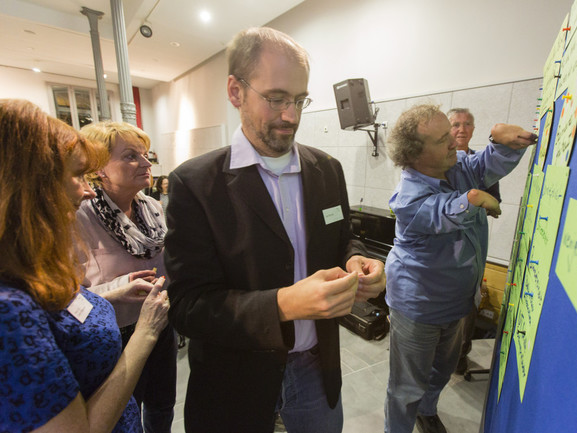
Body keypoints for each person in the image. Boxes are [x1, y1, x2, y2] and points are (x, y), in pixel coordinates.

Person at [164, 27, 386, 433]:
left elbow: (340, 238)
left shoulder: (326, 171)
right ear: (236, 91)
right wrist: (284, 305)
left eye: (299, 99)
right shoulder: (194, 184)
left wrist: (355, 258)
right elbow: (188, 308)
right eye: (277, 99)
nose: (292, 116)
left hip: (316, 373)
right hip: (235, 384)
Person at [0, 99, 170, 432]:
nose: (87, 191)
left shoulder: (24, 269)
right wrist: (146, 331)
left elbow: (61, 307)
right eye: (77, 175)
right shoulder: (10, 309)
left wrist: (117, 294)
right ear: (32, 187)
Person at [384, 104, 537, 433]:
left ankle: (427, 410)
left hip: (457, 300)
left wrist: (502, 142)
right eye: (443, 139)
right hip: (418, 306)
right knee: (406, 386)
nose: (455, 141)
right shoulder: (407, 196)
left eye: (451, 133)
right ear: (415, 154)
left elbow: (484, 164)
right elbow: (442, 211)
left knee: (442, 369)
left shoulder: (455, 166)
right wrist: (473, 198)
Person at [76, 121, 177, 433]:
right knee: (124, 413)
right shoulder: (79, 216)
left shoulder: (151, 207)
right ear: (98, 168)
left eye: (145, 155)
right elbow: (67, 298)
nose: (146, 164)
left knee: (162, 404)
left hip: (160, 323)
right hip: (112, 336)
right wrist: (120, 289)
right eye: (131, 156)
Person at [447, 108, 501, 375]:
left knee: (468, 299)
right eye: (456, 124)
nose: (461, 129)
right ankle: (438, 356)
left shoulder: (481, 163)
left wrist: (477, 201)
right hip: (444, 243)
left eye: (467, 124)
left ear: (474, 129)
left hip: (471, 242)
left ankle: (460, 355)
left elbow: (494, 203)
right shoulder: (437, 162)